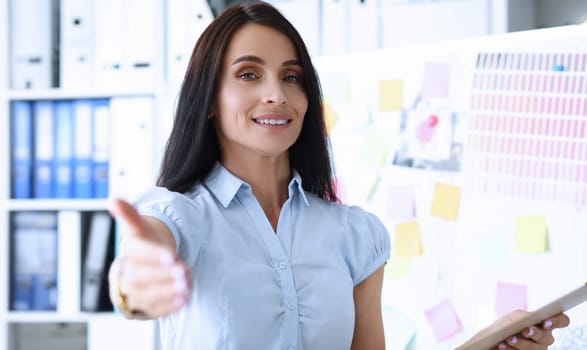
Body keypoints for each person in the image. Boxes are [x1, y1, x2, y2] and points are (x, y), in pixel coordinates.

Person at [106, 1, 570, 349]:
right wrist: (136, 284)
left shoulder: (354, 233)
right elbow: (140, 265)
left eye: (292, 77)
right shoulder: (177, 216)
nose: (276, 95)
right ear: (208, 99)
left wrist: (486, 343)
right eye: (249, 75)